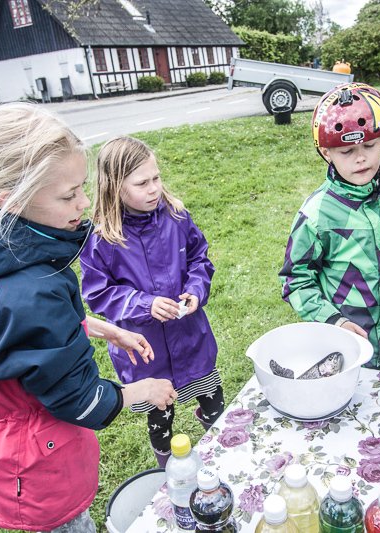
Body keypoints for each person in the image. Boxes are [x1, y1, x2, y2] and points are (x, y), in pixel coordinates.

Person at [0, 103, 176, 532]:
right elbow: (79, 400)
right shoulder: (32, 290)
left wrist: (99, 328)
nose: (85, 202)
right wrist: (143, 389)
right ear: (11, 200)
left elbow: (8, 333)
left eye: (82, 188)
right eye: (68, 195)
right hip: (34, 466)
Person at [79, 136, 224, 468]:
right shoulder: (102, 239)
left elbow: (199, 258)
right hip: (147, 354)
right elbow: (98, 293)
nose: (154, 188)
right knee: (161, 418)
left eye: (156, 178)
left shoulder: (176, 216)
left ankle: (222, 448)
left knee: (215, 402)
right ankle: (167, 469)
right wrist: (144, 304)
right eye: (142, 183)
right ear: (115, 186)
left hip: (191, 341)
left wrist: (196, 289)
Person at [279, 82, 380, 368]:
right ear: (326, 153)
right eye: (346, 151)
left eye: (369, 145)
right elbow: (295, 281)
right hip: (346, 342)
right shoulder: (317, 215)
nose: (360, 157)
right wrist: (334, 320)